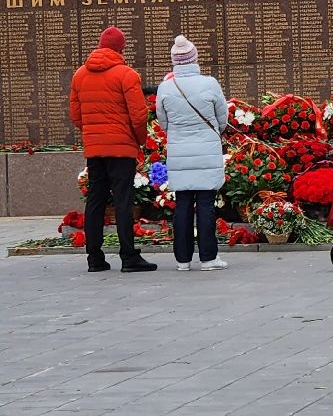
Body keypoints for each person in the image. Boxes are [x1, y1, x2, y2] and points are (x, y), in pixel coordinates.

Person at [69, 26, 158, 273]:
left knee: (95, 201)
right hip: (122, 149)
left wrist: (93, 133)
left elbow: (76, 115)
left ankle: (94, 258)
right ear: (121, 48)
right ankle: (128, 257)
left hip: (95, 150)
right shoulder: (127, 75)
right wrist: (138, 140)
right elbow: (138, 115)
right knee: (122, 201)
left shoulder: (79, 75)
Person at [155, 35, 228, 273]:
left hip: (179, 151)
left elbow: (163, 122)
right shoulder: (210, 83)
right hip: (207, 150)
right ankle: (208, 258)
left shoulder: (166, 87)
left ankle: (183, 260)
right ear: (194, 58)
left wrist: (179, 134)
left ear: (174, 61)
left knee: (183, 204)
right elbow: (222, 118)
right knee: (206, 204)